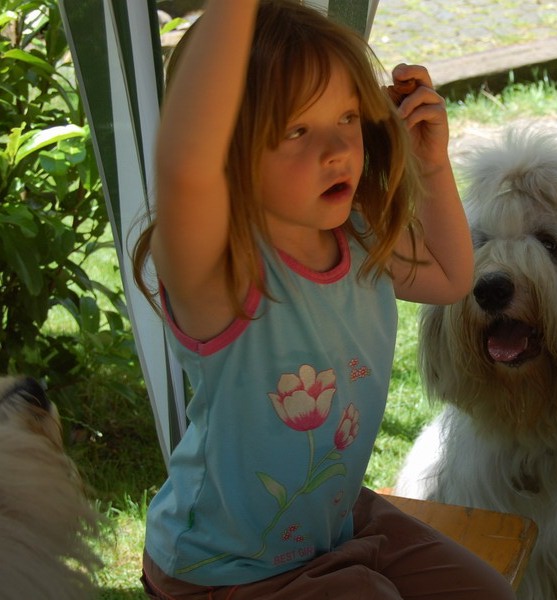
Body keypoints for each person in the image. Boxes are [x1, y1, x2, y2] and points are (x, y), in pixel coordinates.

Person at [132, 1, 513, 598]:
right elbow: (187, 166)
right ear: (229, 149)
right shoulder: (221, 273)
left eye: (347, 118)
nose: (337, 150)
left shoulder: (357, 235)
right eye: (296, 131)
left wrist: (431, 165)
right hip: (224, 570)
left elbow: (449, 277)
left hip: (334, 521)